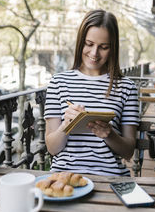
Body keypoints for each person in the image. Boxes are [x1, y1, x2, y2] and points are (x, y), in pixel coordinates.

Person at [44, 9, 139, 176]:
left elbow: (128, 152)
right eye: (89, 44)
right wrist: (66, 125)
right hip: (65, 177)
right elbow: (52, 148)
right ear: (81, 42)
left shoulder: (126, 87)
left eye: (103, 47)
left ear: (113, 48)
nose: (94, 53)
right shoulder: (58, 82)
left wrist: (109, 135)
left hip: (110, 178)